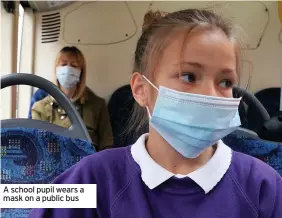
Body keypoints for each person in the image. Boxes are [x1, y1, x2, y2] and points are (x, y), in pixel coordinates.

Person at [28, 9, 282, 218]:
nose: (212, 95)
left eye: (225, 82)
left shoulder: (264, 187)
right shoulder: (93, 178)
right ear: (141, 89)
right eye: (188, 76)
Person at [31, 46, 113, 151]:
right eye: (64, 64)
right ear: (56, 69)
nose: (68, 69)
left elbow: (107, 146)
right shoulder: (40, 108)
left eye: (74, 65)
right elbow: (37, 148)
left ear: (81, 72)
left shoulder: (97, 105)